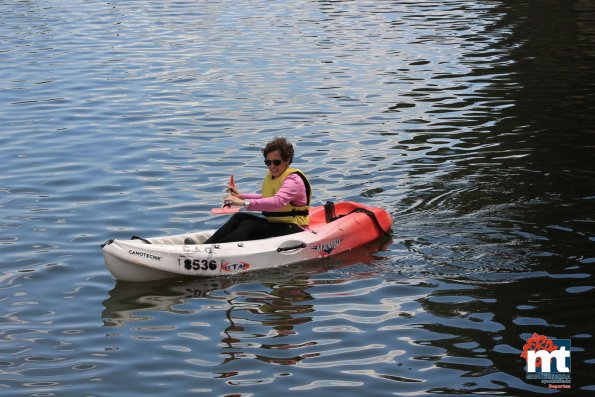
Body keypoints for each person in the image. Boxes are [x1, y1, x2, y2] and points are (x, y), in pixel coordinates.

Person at [203, 137, 312, 244]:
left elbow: (277, 202)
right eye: (268, 162)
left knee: (249, 225)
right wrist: (242, 197)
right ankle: (206, 246)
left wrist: (243, 203)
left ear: (287, 160)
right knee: (239, 217)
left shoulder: (293, 180)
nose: (272, 166)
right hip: (277, 223)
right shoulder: (275, 176)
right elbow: (266, 197)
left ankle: (216, 251)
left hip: (295, 228)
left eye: (276, 162)